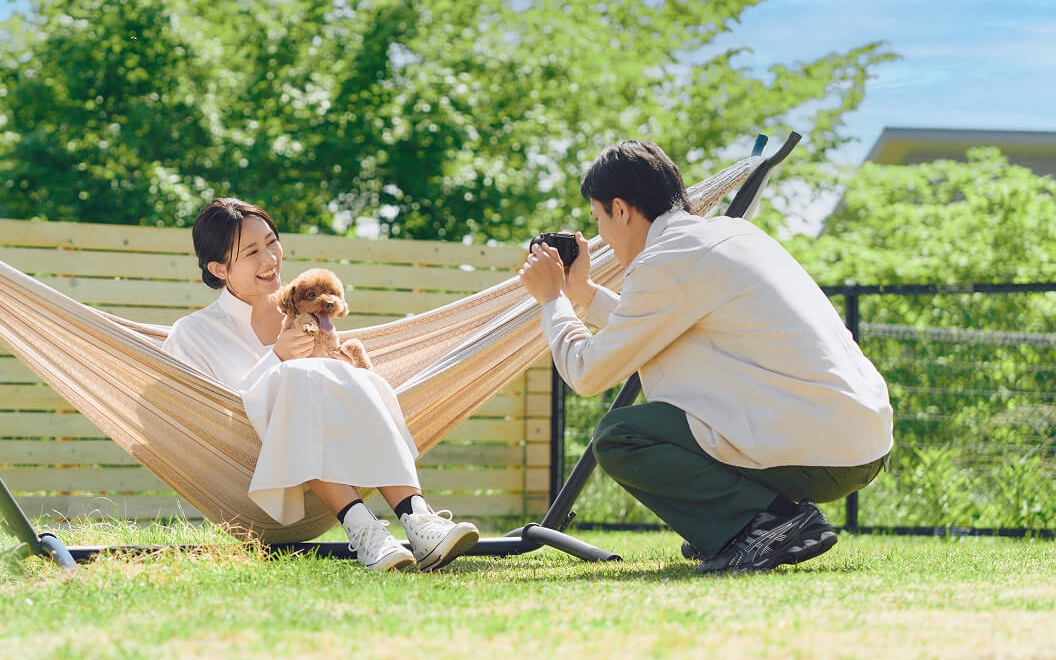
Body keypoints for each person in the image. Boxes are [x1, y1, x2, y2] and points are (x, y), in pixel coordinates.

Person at [517, 141, 893, 573]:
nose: (600, 235)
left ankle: (766, 525)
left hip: (822, 452)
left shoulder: (666, 261)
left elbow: (585, 373)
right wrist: (581, 293)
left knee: (622, 436)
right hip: (864, 442)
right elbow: (651, 324)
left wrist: (551, 299)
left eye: (598, 218)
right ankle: (744, 523)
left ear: (620, 209)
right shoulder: (732, 236)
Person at [164, 197, 481, 572]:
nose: (270, 259)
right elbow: (206, 418)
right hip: (252, 477)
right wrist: (277, 359)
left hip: (330, 458)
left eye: (271, 242)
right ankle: (366, 529)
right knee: (297, 374)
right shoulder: (193, 335)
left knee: (348, 373)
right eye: (252, 252)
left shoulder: (311, 314)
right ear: (218, 268)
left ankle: (414, 518)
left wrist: (342, 370)